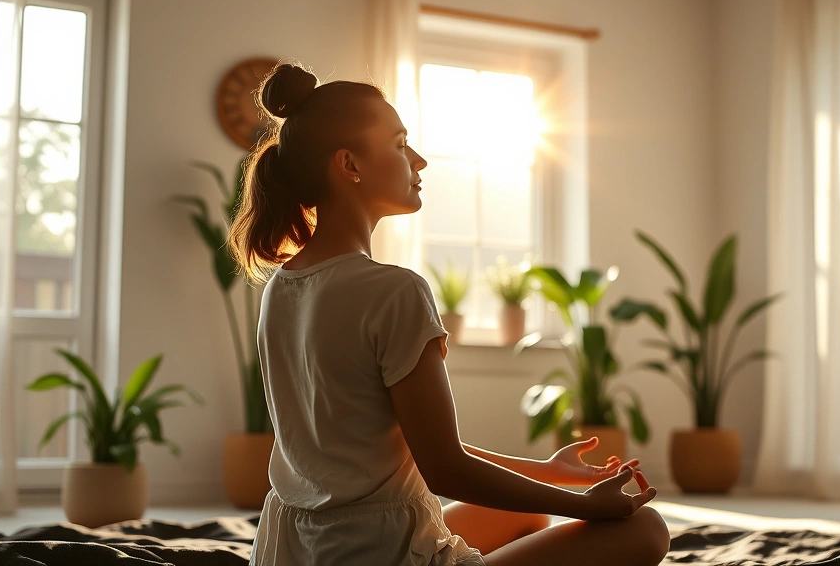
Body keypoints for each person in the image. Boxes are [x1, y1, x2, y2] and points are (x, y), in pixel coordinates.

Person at [227, 61, 671, 566]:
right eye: (399, 144)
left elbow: (416, 449)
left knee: (527, 517)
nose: (418, 160)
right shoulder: (394, 291)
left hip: (299, 548)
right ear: (350, 164)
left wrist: (547, 472)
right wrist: (582, 505)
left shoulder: (282, 287)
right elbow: (446, 471)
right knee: (647, 529)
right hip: (378, 552)